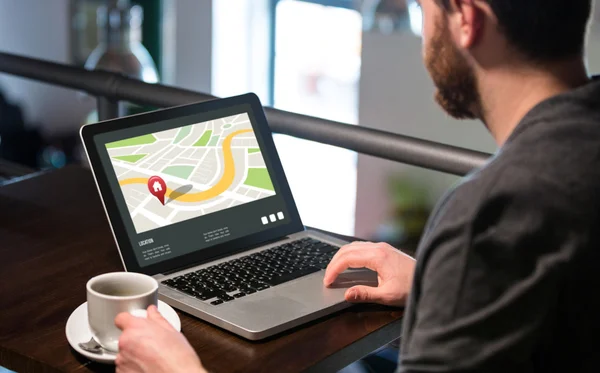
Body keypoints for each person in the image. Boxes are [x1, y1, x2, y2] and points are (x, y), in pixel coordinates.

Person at [114, 0, 600, 371]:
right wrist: (438, 284)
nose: (423, 32)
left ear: (466, 19)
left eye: (422, 9)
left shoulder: (492, 213)